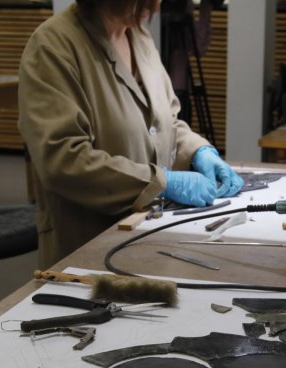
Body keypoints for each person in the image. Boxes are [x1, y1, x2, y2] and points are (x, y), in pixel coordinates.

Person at [18, 0, 243, 266]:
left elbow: (165, 121)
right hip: (87, 245)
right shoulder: (52, 47)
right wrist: (160, 183)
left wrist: (197, 150)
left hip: (150, 235)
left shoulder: (138, 35)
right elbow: (63, 160)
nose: (157, 4)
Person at [161, 0, 213, 126]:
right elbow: (199, 47)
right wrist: (206, 8)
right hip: (177, 91)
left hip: (171, 92)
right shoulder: (184, 7)